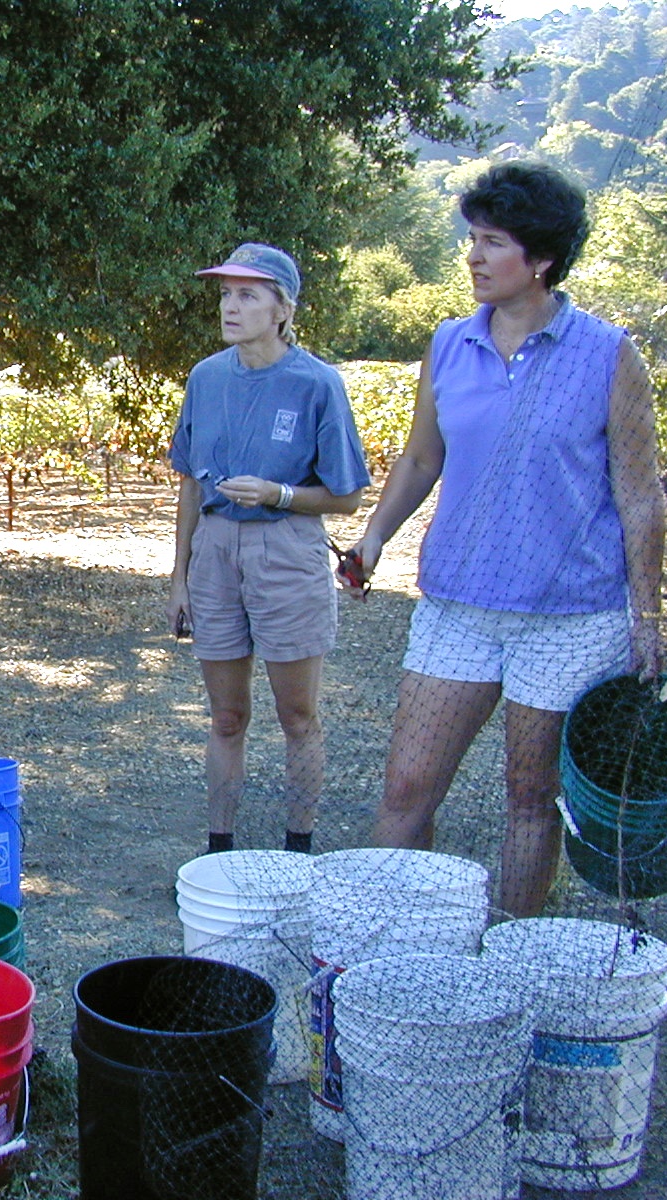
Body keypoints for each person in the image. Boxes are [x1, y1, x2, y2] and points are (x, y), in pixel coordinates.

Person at [341, 162, 664, 917]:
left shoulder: (610, 355)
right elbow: (423, 456)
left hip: (569, 619)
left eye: (492, 242)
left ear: (542, 259)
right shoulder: (450, 344)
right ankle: (396, 942)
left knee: (530, 797)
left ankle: (515, 954)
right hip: (458, 605)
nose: (474, 257)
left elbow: (640, 493)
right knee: (406, 787)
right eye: (472, 240)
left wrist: (645, 620)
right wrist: (376, 536)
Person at [165, 244, 370, 856]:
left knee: (297, 717)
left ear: (283, 308)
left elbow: (348, 498)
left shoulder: (317, 383)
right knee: (227, 717)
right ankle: (219, 850)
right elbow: (190, 486)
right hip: (216, 553)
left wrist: (278, 494)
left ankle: (297, 849)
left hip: (286, 550)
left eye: (248, 294)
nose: (231, 305)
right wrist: (180, 575)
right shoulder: (205, 377)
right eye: (226, 293)